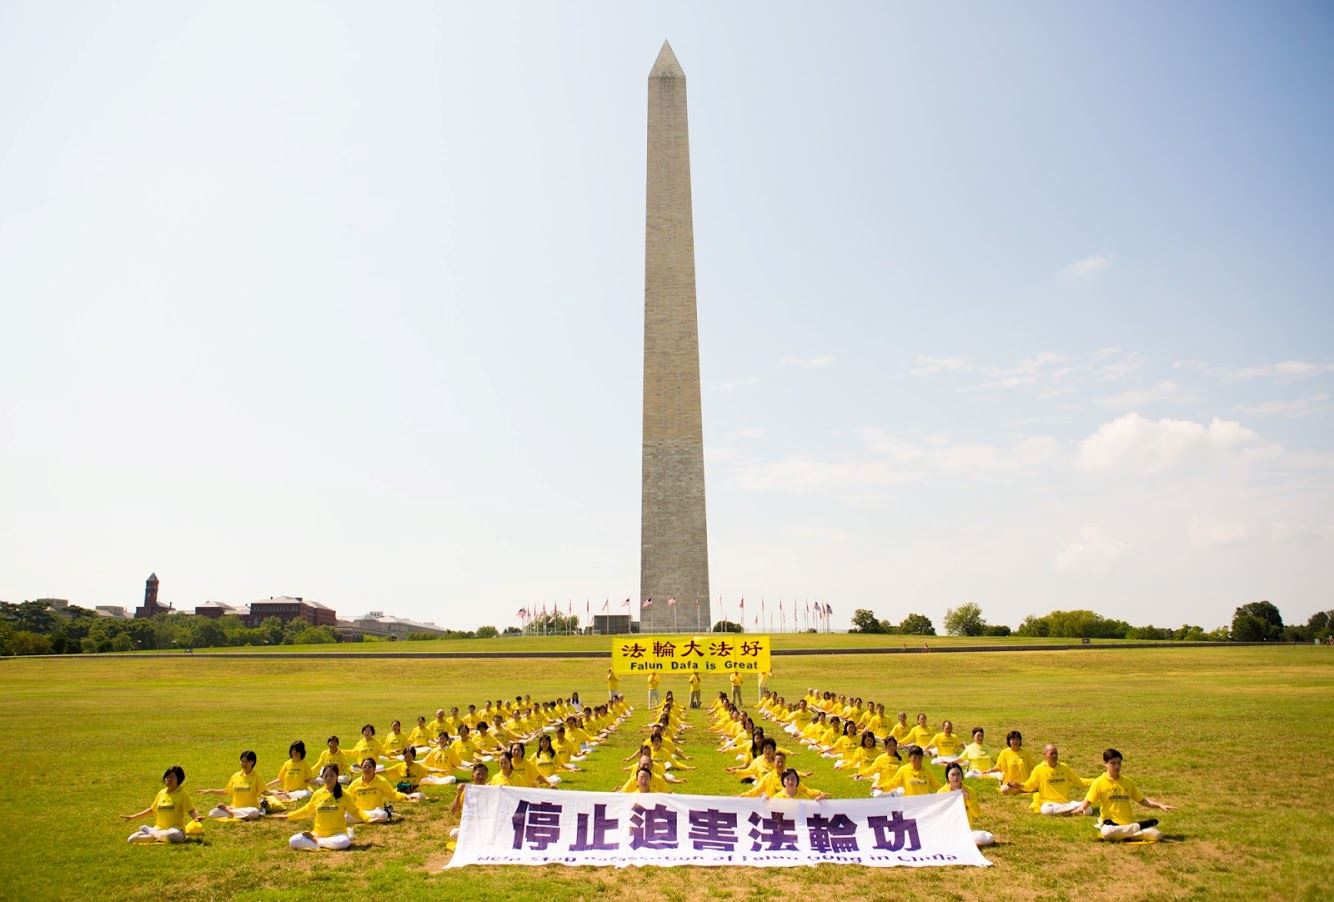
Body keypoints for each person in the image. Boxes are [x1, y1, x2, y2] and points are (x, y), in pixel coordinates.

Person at [1073, 748, 1175, 842]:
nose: (1117, 766)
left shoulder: (1127, 782)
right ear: (1105, 764)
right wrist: (1081, 808)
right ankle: (1138, 827)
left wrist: (1160, 805)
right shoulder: (1098, 782)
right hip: (1110, 825)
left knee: (1156, 835)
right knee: (1107, 832)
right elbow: (1088, 801)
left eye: (1119, 763)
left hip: (1127, 824)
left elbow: (1142, 800)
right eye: (1113, 763)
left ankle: (1131, 831)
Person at [273, 764, 365, 851]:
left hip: (337, 834)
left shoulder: (344, 794)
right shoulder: (318, 794)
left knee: (344, 842)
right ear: (323, 777)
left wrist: (368, 819)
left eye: (332, 776)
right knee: (293, 840)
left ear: (337, 777)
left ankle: (317, 842)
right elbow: (306, 810)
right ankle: (320, 842)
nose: (328, 778)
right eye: (326, 776)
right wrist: (288, 816)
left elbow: (355, 811)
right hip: (318, 833)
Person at [123, 765, 201, 844]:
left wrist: (196, 817)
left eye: (172, 777)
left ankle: (151, 835)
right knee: (130, 839)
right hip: (159, 829)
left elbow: (191, 810)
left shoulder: (183, 794)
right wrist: (133, 817)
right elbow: (151, 810)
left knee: (173, 835)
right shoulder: (161, 793)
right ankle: (154, 835)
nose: (168, 779)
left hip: (175, 829)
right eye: (167, 777)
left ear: (179, 779)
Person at [1021, 744, 1093, 815]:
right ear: (1044, 754)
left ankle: (1067, 811)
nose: (1054, 756)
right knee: (1045, 810)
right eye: (1051, 753)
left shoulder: (1064, 767)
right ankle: (1074, 810)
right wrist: (1019, 785)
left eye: (1056, 753)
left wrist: (1094, 781)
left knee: (1089, 810)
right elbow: (1029, 785)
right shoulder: (1038, 769)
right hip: (1050, 804)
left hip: (1064, 803)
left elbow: (1078, 781)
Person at [347, 757, 419, 823]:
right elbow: (346, 796)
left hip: (375, 811)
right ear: (361, 768)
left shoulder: (381, 781)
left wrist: (405, 796)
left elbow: (393, 794)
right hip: (360, 811)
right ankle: (368, 819)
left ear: (374, 769)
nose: (366, 769)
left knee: (383, 815)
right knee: (345, 815)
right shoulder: (355, 783)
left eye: (369, 767)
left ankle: (366, 819)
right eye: (364, 767)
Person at [940, 762, 995, 846]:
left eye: (958, 774)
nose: (956, 777)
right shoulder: (941, 792)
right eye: (952, 774)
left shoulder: (969, 791)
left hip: (966, 830)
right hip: (949, 830)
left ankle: (962, 842)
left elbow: (977, 814)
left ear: (962, 775)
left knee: (988, 837)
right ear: (947, 776)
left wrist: (968, 800)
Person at [201, 750, 264, 820]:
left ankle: (229, 811)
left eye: (247, 761)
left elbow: (264, 791)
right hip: (235, 807)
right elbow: (226, 791)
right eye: (242, 761)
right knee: (212, 813)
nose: (244, 764)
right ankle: (233, 813)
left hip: (250, 808)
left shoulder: (257, 776)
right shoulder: (235, 776)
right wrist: (211, 791)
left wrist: (274, 793)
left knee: (254, 812)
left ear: (252, 762)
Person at [266, 741, 315, 808]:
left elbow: (310, 780)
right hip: (287, 792)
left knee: (307, 793)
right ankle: (286, 797)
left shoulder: (305, 765)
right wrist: (266, 786)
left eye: (297, 750)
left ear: (302, 752)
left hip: (299, 792)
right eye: (293, 750)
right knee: (270, 793)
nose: (295, 752)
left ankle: (287, 797)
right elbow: (280, 780)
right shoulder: (287, 763)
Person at [996, 730, 1037, 795]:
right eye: (1012, 739)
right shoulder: (1004, 753)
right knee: (1004, 790)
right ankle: (1024, 791)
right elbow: (998, 767)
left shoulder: (1025, 753)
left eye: (1017, 739)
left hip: (1023, 784)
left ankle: (1022, 790)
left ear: (1020, 741)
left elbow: (1035, 768)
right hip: (1010, 784)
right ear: (1009, 741)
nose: (1015, 741)